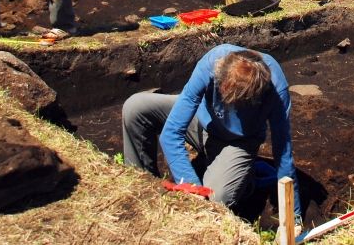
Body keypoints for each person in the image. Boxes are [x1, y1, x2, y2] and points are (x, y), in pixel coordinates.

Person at [121, 45, 301, 223]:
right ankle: (143, 185)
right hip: (201, 122)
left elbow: (282, 153)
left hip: (237, 141)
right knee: (136, 107)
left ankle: (244, 180)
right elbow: (171, 132)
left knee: (218, 198)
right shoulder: (213, 61)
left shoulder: (276, 89)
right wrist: (192, 187)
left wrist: (294, 217)